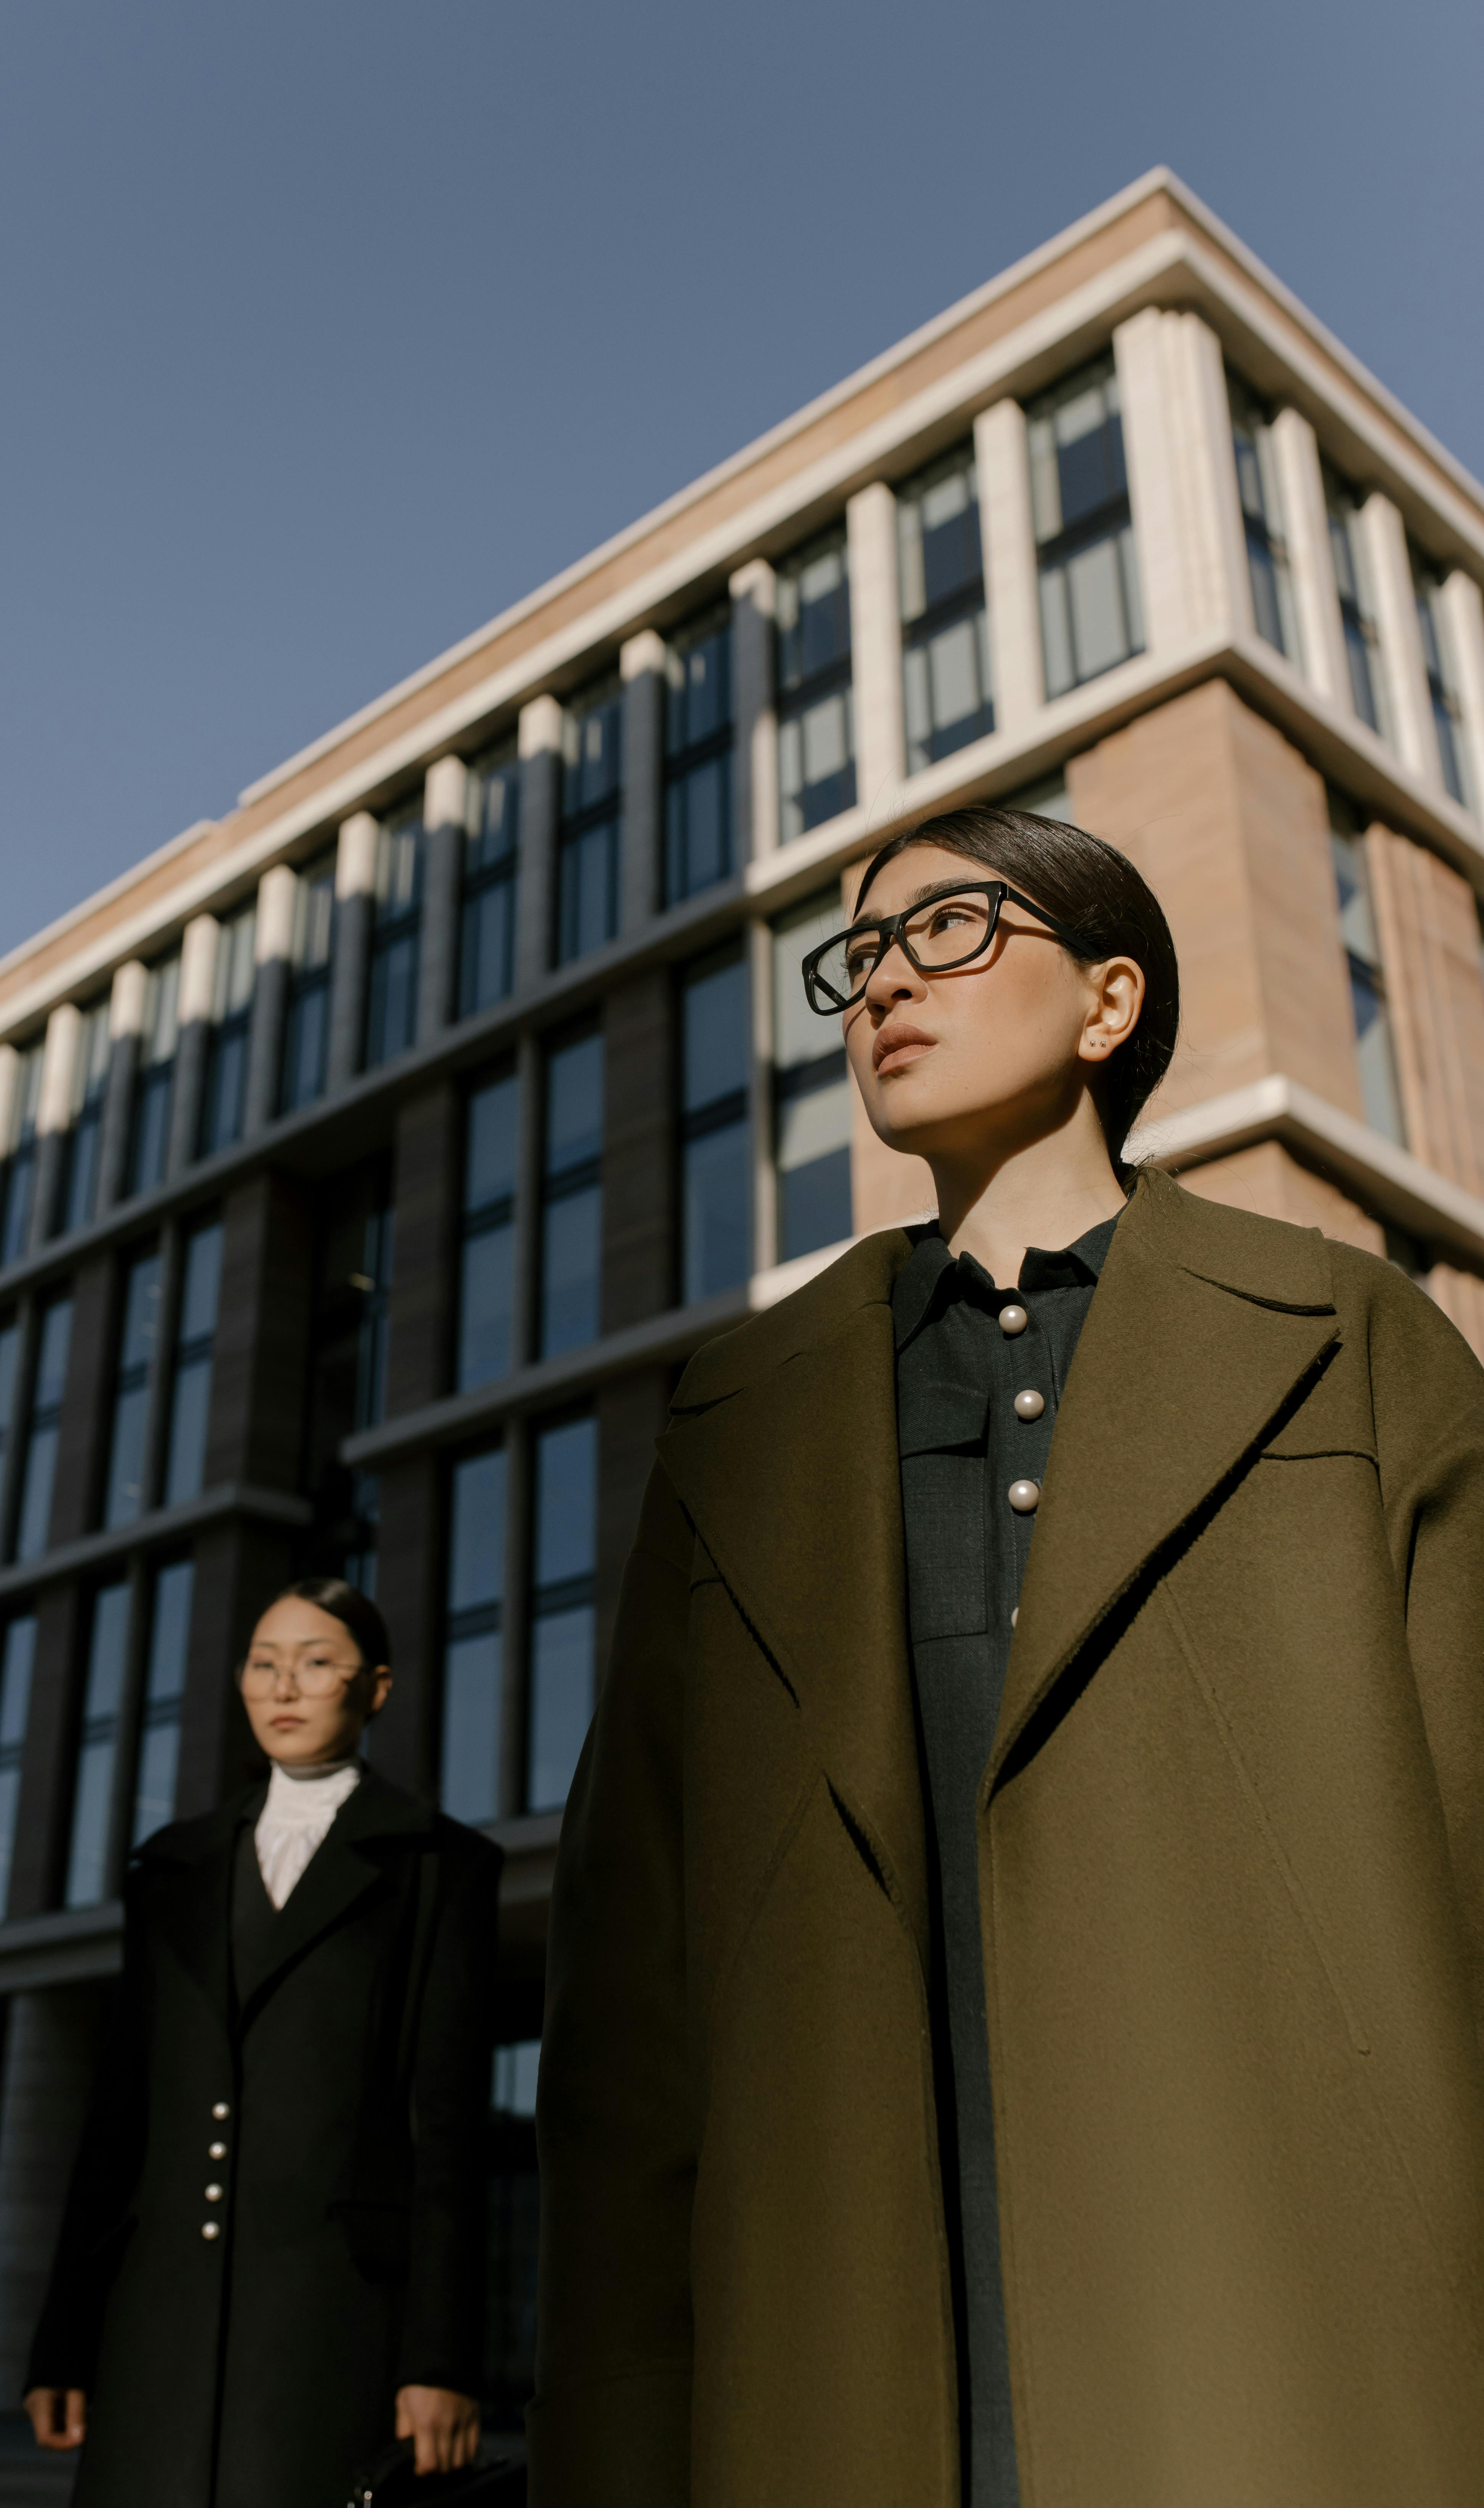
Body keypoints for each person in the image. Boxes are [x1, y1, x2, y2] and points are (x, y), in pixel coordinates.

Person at [528, 805, 1484, 2507]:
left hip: (1291, 2320)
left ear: (1108, 1004)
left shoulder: (1352, 1345)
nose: (885, 982)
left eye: (950, 931)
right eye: (861, 957)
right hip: (839, 2348)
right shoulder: (739, 1421)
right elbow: (632, 1985)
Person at [25, 1577, 501, 2507]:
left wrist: (441, 2360)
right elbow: (118, 2115)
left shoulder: (438, 1867)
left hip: (337, 2327)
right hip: (151, 2323)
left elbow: (446, 2134)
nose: (284, 1688)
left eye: (317, 1664)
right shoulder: (171, 1867)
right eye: (264, 1664)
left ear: (376, 1689)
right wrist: (63, 2340)